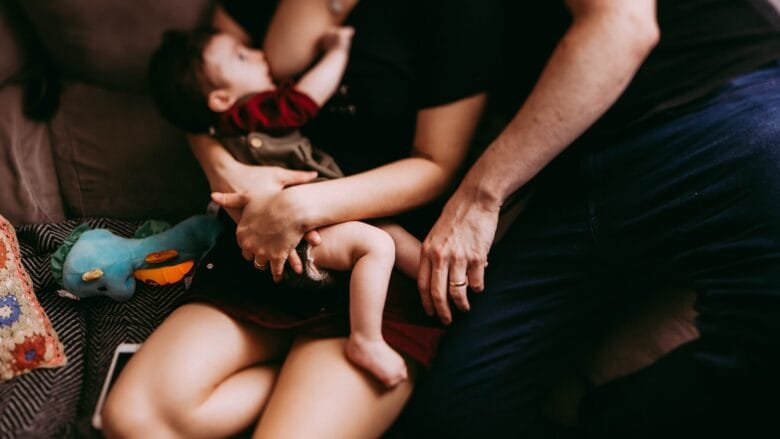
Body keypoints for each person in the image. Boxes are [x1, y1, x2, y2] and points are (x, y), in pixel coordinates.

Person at [101, 0, 499, 437]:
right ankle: (289, 377)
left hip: (372, 256)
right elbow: (200, 104)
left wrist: (303, 206)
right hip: (267, 248)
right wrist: (229, 171)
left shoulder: (458, 13)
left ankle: (321, 373)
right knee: (135, 418)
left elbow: (437, 163)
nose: (253, 58)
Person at [411, 0, 780, 437]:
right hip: (575, 169)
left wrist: (478, 197)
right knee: (456, 411)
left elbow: (622, 25)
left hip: (723, 103)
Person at [147, 23, 424, 388]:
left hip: (308, 227)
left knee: (393, 235)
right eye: (243, 56)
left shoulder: (225, 127)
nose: (261, 54)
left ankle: (444, 284)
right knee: (379, 244)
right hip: (296, 241)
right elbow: (307, 98)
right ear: (221, 99)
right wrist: (337, 51)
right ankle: (366, 339)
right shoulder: (253, 115)